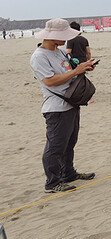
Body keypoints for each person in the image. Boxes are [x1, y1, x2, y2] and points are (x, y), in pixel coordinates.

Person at [30, 19, 97, 193]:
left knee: (70, 142)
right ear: (53, 37)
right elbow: (49, 81)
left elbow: (68, 71)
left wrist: (83, 68)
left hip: (71, 104)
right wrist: (76, 71)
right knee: (56, 146)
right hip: (56, 108)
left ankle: (68, 173)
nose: (66, 40)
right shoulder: (39, 56)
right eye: (64, 37)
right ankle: (52, 183)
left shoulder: (58, 52)